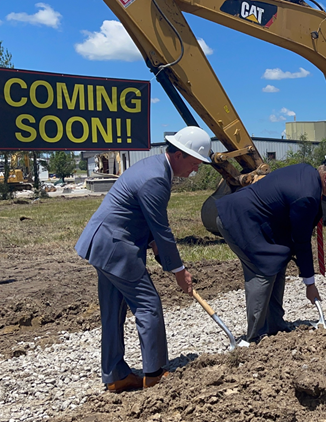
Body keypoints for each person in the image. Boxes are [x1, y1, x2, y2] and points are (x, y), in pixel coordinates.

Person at [75, 126, 212, 393]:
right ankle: (155, 373)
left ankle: (115, 375)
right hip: (116, 247)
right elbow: (162, 229)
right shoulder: (156, 179)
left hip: (103, 243)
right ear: (181, 154)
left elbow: (145, 219)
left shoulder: (154, 168)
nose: (195, 170)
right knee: (148, 305)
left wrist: (157, 248)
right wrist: (178, 270)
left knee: (112, 312)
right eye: (195, 163)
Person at [214, 156, 326, 343]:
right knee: (262, 271)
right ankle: (256, 336)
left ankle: (275, 325)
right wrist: (310, 283)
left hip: (258, 221)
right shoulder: (307, 195)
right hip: (238, 221)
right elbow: (302, 241)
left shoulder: (307, 171)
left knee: (278, 260)